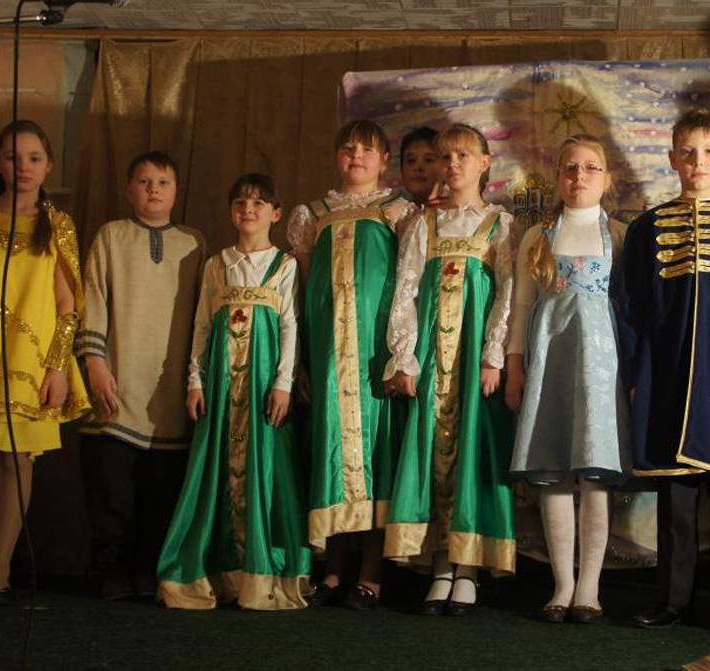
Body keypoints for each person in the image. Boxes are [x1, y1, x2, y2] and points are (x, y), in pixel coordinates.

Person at [614, 109, 710, 632]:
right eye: (687, 152)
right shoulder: (647, 227)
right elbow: (631, 307)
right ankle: (673, 601)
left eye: (707, 152)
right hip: (670, 375)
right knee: (676, 500)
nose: (697, 162)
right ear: (672, 159)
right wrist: (636, 374)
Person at [0, 120, 91, 606]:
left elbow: (68, 307)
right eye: (12, 156)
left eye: (33, 158)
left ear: (48, 166)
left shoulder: (58, 224)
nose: (23, 166)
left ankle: (1, 573)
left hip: (32, 359)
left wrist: (56, 366)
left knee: (17, 459)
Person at [156, 173, 311, 610]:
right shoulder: (216, 265)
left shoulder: (283, 266)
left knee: (267, 467)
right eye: (240, 202)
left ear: (275, 214)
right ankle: (215, 570)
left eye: (259, 203)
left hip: (263, 389)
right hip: (222, 388)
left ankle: (262, 571)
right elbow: (202, 326)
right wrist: (195, 379)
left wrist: (283, 383)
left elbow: (290, 326)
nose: (248, 209)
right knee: (214, 470)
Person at [383, 123, 516, 615]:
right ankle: (440, 562)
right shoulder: (425, 224)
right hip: (433, 362)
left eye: (463, 155)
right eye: (446, 156)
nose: (453, 164)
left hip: (473, 360)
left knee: (473, 454)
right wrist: (405, 355)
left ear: (484, 163)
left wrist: (493, 354)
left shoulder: (499, 224)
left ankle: (469, 568)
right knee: (432, 454)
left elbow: (508, 293)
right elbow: (406, 290)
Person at [286, 119, 414, 609]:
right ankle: (334, 568)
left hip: (374, 357)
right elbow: (298, 293)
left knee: (376, 455)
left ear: (383, 160)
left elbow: (407, 285)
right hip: (326, 357)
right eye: (348, 148)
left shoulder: (397, 212)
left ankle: (371, 573)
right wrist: (299, 362)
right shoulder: (313, 215)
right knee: (330, 453)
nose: (356, 156)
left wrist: (401, 354)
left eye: (367, 149)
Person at [506, 134, 630, 624]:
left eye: (591, 167)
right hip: (550, 361)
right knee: (553, 471)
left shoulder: (619, 236)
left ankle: (589, 589)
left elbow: (632, 311)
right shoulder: (537, 236)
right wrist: (515, 366)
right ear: (558, 177)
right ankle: (561, 584)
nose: (580, 176)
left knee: (593, 474)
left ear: (607, 177)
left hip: (601, 368)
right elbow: (521, 307)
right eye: (570, 168)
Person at [76, 150, 205, 600]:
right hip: (117, 382)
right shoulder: (111, 236)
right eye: (145, 182)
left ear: (177, 191)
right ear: (129, 189)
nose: (154, 190)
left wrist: (197, 379)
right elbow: (92, 298)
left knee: (159, 494)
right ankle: (108, 572)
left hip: (169, 394)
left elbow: (202, 317)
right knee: (111, 494)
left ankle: (151, 572)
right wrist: (95, 361)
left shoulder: (194, 243)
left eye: (163, 182)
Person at [398, 126, 443, 207]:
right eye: (411, 160)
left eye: (429, 160)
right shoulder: (394, 211)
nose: (418, 168)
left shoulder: (459, 212)